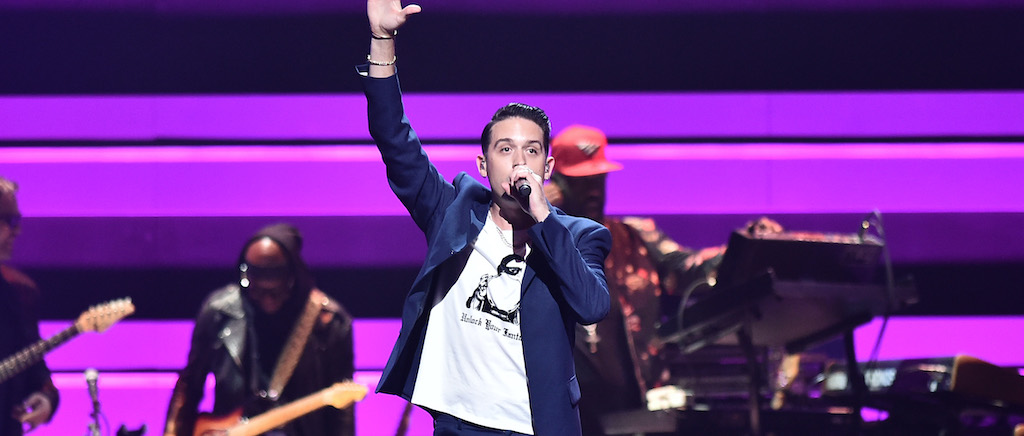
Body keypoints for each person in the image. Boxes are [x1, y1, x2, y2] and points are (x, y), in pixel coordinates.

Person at [360, 2, 612, 435]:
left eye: (532, 150)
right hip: (457, 424)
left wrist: (542, 217)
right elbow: (395, 141)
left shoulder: (579, 235)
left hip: (532, 427)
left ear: (548, 167)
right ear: (482, 164)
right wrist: (383, 42)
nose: (519, 161)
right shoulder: (452, 212)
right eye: (505, 149)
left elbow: (592, 306)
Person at [542, 125, 728, 436]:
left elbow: (687, 268)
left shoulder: (634, 238)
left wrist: (740, 248)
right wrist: (531, 212)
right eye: (581, 182)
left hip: (631, 412)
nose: (593, 191)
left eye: (598, 180)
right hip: (563, 413)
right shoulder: (535, 245)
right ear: (556, 184)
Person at [164, 223, 355, 436]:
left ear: (293, 275)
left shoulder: (328, 322)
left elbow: (342, 416)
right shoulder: (219, 312)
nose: (267, 297)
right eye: (257, 286)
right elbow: (190, 386)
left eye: (275, 287)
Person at [0, 176, 60, 435]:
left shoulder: (19, 291)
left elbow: (36, 371)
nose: (17, 231)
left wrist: (45, 399)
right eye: (10, 221)